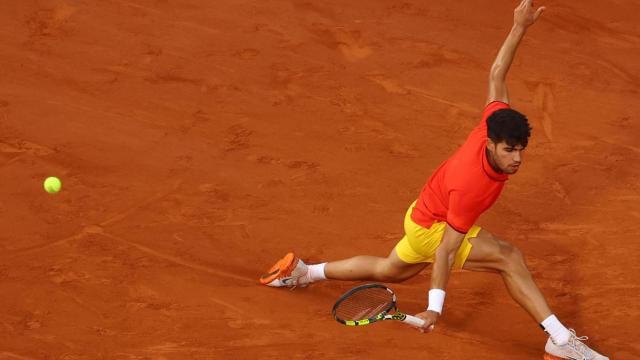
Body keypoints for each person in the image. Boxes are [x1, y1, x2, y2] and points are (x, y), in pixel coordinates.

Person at [259, 1, 608, 359]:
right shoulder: (472, 185)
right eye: (508, 150)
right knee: (508, 257)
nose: (516, 158)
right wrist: (434, 308)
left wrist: (520, 26)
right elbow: (446, 250)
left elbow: (497, 73)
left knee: (389, 269)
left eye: (520, 150)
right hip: (434, 228)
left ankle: (305, 272)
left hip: (420, 214)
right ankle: (560, 340)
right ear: (490, 143)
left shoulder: (494, 121)